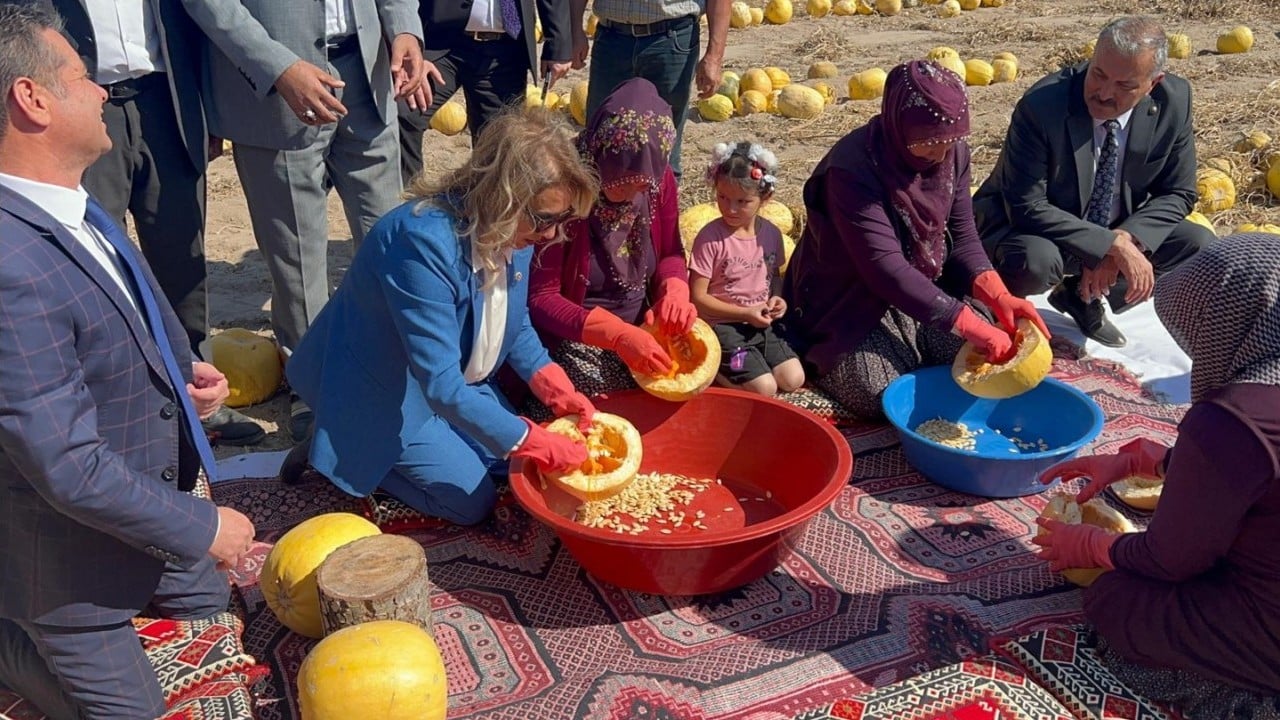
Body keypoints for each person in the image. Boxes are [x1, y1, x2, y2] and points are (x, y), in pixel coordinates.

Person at [0, 6, 257, 717]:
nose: (103, 91)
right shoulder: (8, 264)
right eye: (83, 78)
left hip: (138, 494)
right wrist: (203, 526)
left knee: (211, 608)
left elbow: (126, 294)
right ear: (34, 99)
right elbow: (67, 466)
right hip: (58, 552)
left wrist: (183, 373)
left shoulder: (65, 199)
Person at [284, 108, 597, 526]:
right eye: (546, 220)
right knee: (472, 502)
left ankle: (360, 446)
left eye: (562, 221)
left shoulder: (513, 228)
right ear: (504, 196)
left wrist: (551, 383)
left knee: (510, 466)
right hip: (384, 391)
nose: (552, 235)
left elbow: (513, 319)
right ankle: (340, 446)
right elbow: (442, 386)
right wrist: (527, 436)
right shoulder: (421, 243)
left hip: (446, 378)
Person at [1034, 233, 1280, 719]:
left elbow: (1172, 560)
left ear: (1221, 328)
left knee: (1118, 601)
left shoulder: (1235, 417)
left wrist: (1095, 548)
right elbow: (1258, 472)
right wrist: (1159, 461)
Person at [179, 0, 425, 441]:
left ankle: (396, 366)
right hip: (275, 91)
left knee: (390, 238)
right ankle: (314, 385)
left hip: (369, 72)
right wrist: (276, 67)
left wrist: (405, 29)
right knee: (297, 256)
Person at [45, 0, 265, 446]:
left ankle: (195, 397)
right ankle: (117, 407)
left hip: (164, 101)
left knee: (181, 252)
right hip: (82, 103)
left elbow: (196, 24)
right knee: (97, 264)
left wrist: (205, 114)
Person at [781, 60, 1050, 421]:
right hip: (849, 298)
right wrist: (966, 321)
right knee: (879, 394)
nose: (940, 155)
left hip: (923, 283)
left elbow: (964, 235)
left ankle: (918, 341)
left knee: (983, 352)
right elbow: (885, 268)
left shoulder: (953, 155)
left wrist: (998, 293)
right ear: (898, 124)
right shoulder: (852, 170)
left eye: (950, 142)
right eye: (928, 143)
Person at [973, 16, 1213, 349]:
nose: (1103, 93)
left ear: (1153, 84)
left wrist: (1125, 240)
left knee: (1198, 244)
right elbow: (1026, 205)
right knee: (1035, 261)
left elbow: (1179, 192)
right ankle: (992, 310)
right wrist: (1110, 247)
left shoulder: (1175, 101)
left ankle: (1080, 295)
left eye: (1124, 85)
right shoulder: (1043, 106)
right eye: (1098, 74)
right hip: (1033, 229)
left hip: (1111, 224)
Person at [528, 77, 697, 398]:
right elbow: (540, 297)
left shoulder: (657, 184)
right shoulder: (560, 189)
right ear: (598, 154)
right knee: (607, 401)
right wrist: (616, 335)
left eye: (642, 185)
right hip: (576, 337)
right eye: (622, 180)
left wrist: (675, 289)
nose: (633, 192)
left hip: (643, 329)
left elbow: (672, 253)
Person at [398, 0, 573, 185]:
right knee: (405, 113)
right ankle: (406, 202)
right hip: (442, 42)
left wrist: (559, 43)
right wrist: (407, 36)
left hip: (504, 51)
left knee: (499, 144)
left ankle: (483, 207)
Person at [689, 141, 803, 397]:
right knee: (765, 389)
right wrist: (744, 312)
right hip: (724, 329)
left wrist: (777, 298)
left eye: (742, 201)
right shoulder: (710, 239)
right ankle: (715, 367)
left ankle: (747, 368)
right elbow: (698, 298)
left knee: (793, 378)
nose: (730, 208)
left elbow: (773, 277)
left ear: (765, 198)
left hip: (761, 324)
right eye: (722, 197)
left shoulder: (771, 234)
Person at [569, 0, 729, 180]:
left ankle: (659, 205)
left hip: (672, 39)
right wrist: (574, 30)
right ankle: (601, 205)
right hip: (611, 39)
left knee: (662, 146)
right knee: (600, 141)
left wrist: (715, 56)